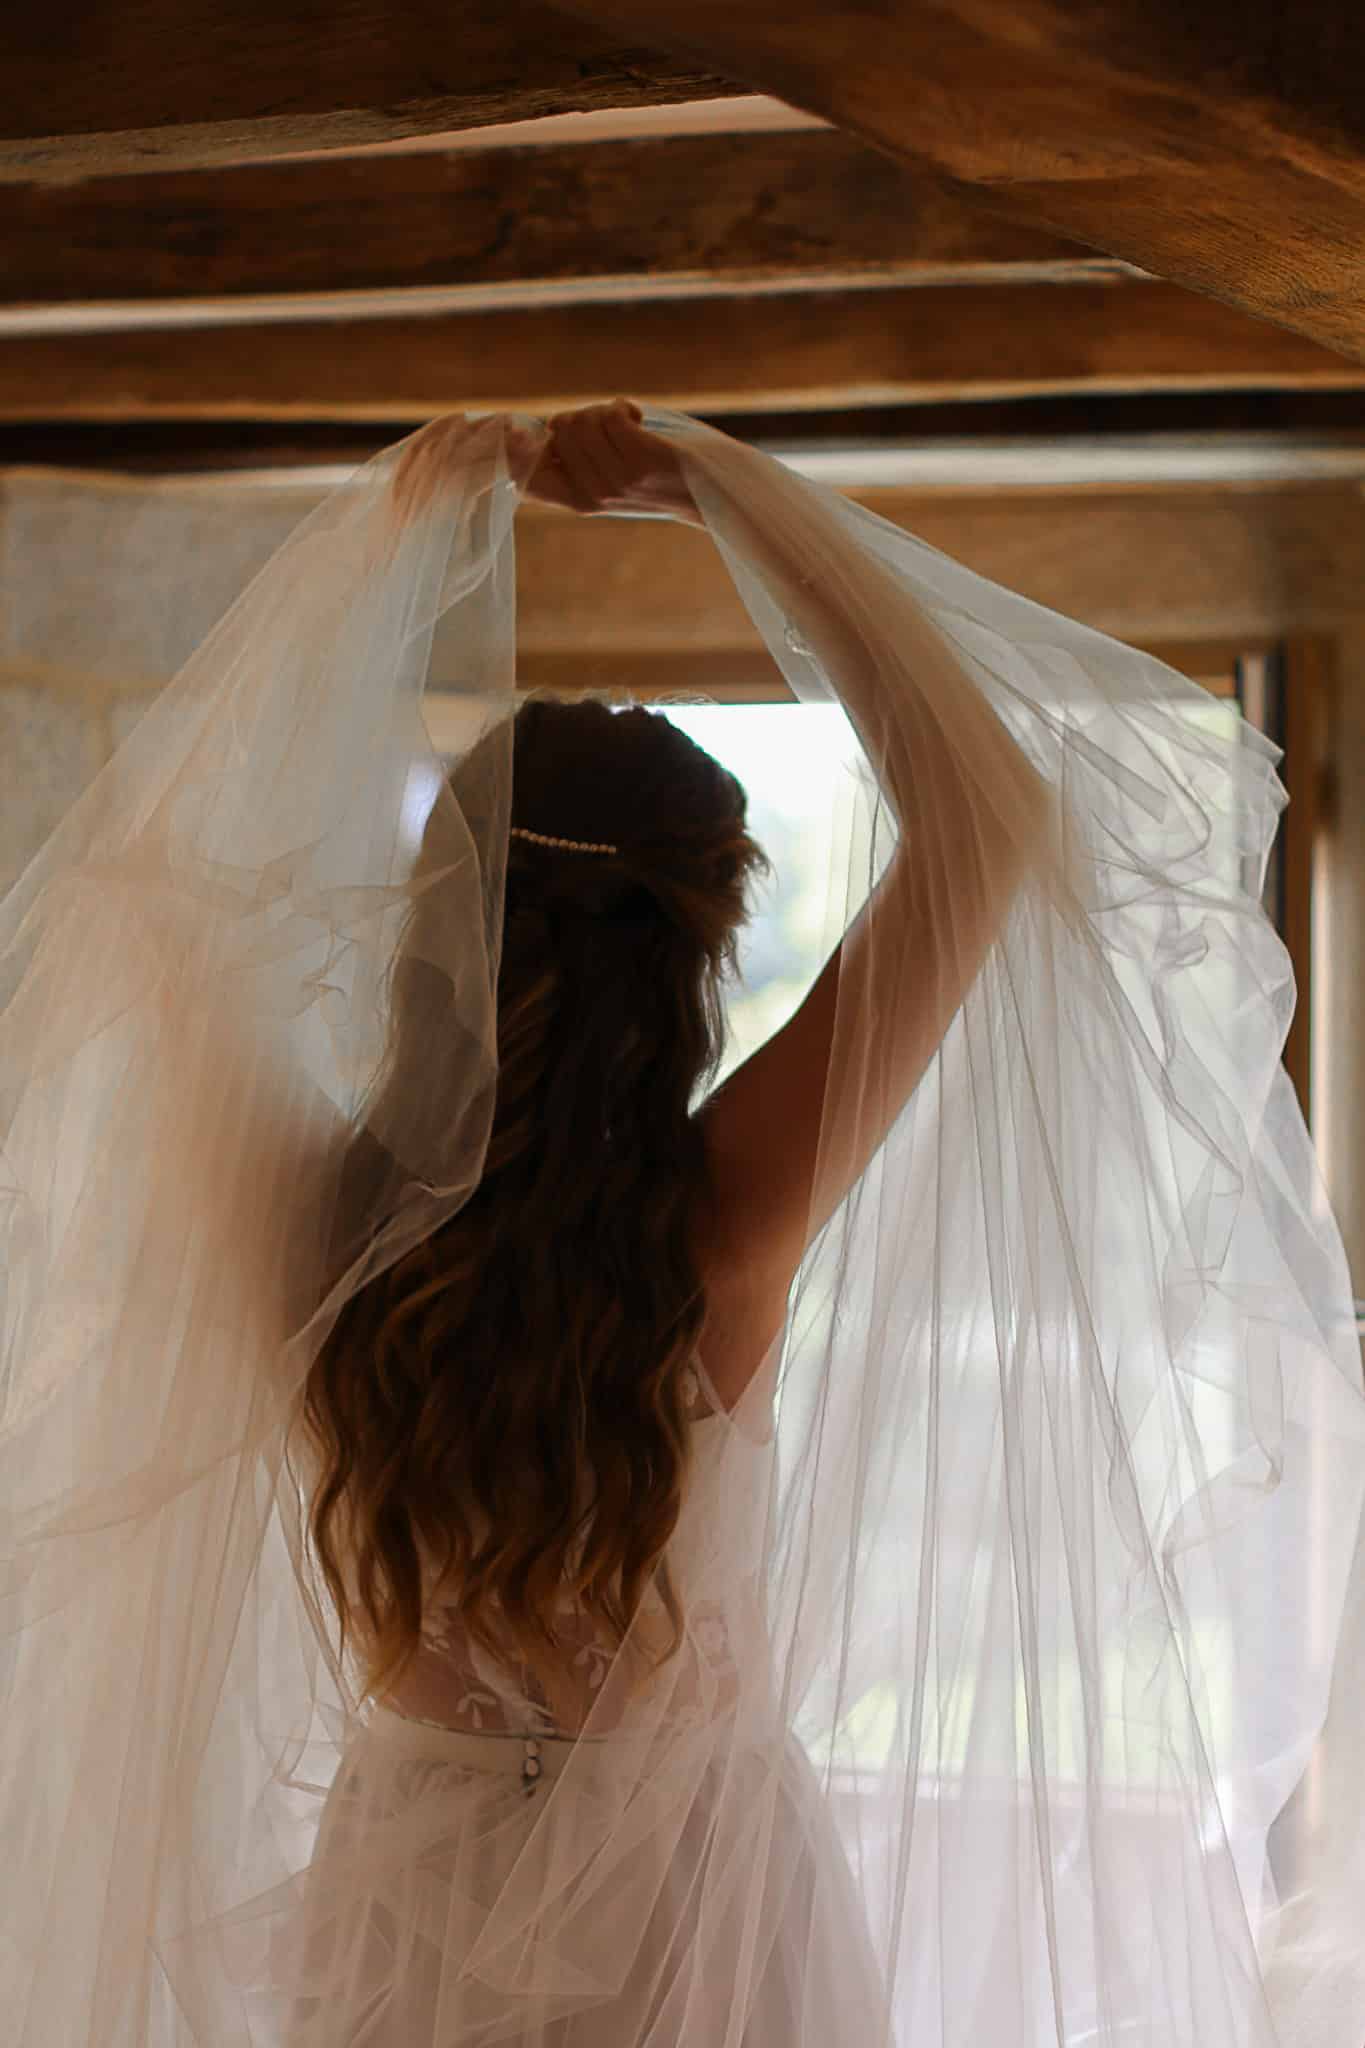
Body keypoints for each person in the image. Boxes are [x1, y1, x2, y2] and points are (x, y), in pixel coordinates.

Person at [2, 402, 1362, 2048]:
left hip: (406, 1896)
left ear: (434, 914)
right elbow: (989, 819)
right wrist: (724, 494)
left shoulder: (308, 1216)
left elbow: (145, 886)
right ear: (700, 941)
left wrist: (373, 561)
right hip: (698, 1902)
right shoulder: (722, 1220)